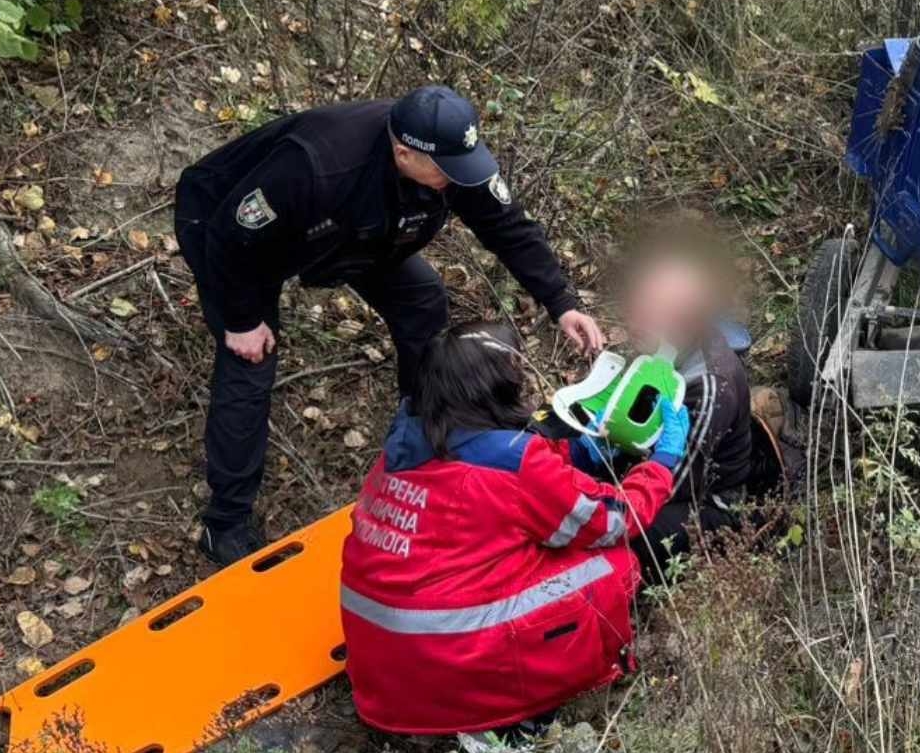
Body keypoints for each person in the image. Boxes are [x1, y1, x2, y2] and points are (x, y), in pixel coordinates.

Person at [175, 86, 607, 565]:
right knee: (250, 362)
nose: (458, 178)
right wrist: (241, 320)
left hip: (353, 232)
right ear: (403, 152)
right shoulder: (317, 163)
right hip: (230, 233)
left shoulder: (449, 159)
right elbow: (231, 235)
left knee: (422, 300)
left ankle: (426, 435)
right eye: (447, 171)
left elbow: (508, 226)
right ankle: (226, 523)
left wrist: (562, 303)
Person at [338, 320, 688, 738]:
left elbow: (498, 472)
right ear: (496, 385)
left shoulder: (405, 445)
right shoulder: (514, 465)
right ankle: (519, 714)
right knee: (612, 565)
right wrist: (661, 465)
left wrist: (575, 451)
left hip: (383, 673)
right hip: (449, 659)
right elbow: (612, 521)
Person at [615, 242, 781, 581]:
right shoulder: (661, 347)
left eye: (649, 310)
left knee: (621, 533)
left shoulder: (707, 386)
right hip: (658, 461)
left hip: (709, 501)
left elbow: (679, 482)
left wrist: (607, 492)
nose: (633, 318)